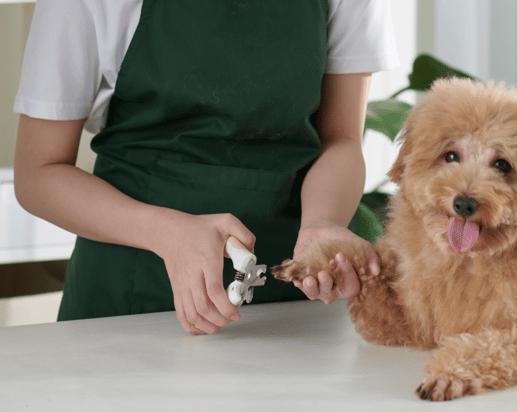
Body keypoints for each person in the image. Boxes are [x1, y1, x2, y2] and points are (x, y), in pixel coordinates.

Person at [13, 0, 398, 335]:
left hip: (289, 308)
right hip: (128, 300)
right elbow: (39, 174)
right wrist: (167, 233)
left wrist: (323, 223)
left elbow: (340, 139)